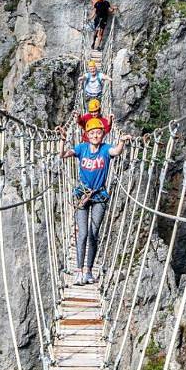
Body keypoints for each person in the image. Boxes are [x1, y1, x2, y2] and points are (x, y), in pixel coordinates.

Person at [60, 119, 130, 285]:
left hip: (99, 196)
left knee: (93, 234)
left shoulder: (105, 149)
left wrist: (121, 141)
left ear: (103, 134)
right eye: (92, 133)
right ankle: (79, 271)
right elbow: (62, 155)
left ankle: (89, 271)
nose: (95, 135)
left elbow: (116, 151)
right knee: (82, 234)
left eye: (98, 132)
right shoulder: (81, 148)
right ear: (87, 135)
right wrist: (62, 141)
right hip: (82, 195)